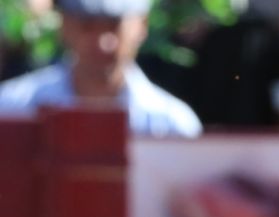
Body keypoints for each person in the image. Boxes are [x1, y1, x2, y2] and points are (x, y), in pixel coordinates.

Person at [0, 0, 201, 136]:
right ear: (64, 25)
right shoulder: (11, 109)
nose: (103, 43)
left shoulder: (174, 127)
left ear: (142, 25)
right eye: (88, 26)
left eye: (114, 26)